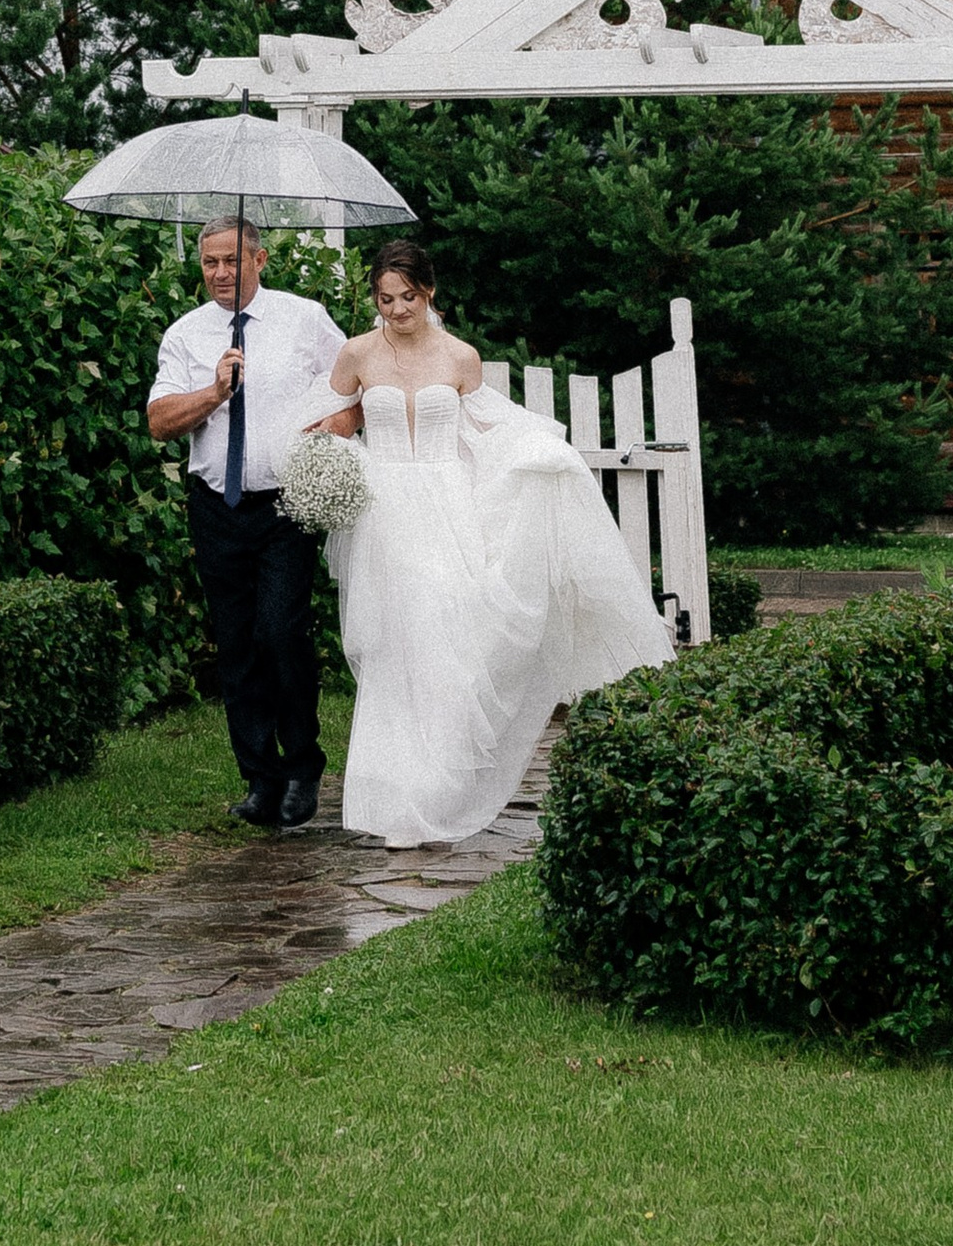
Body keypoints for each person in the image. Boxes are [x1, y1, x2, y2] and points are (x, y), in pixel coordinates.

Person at [302, 236, 672, 847]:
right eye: (385, 298)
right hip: (385, 513)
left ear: (431, 293)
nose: (396, 310)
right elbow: (332, 415)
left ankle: (442, 784)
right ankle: (393, 793)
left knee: (454, 639)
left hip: (450, 505)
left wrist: (544, 456)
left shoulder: (460, 357)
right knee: (398, 644)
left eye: (408, 297)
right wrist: (331, 437)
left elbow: (490, 431)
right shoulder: (357, 353)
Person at [148, 217, 348, 830]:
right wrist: (214, 392)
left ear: (260, 260)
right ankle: (260, 778)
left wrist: (338, 426)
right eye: (210, 262)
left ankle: (303, 765)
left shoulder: (304, 319)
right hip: (217, 505)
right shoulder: (186, 335)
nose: (220, 273)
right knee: (235, 645)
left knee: (280, 633)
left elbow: (356, 386)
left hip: (287, 505)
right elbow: (159, 421)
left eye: (232, 261)